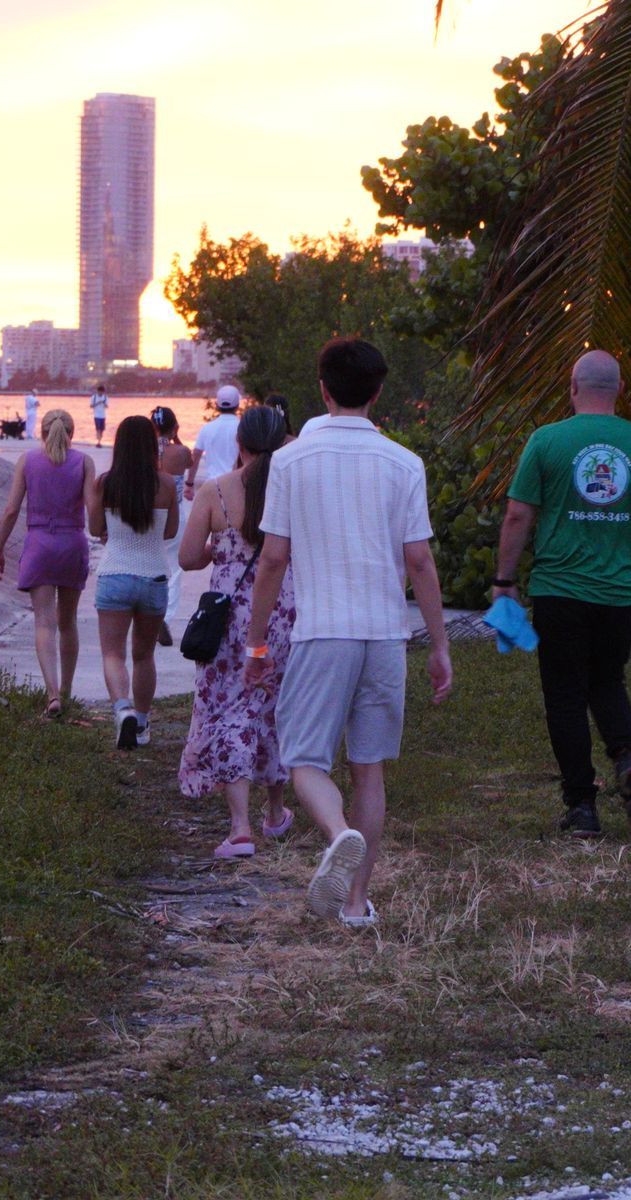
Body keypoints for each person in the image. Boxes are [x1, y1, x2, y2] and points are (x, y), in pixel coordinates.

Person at [244, 338, 453, 927]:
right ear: (379, 391)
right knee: (370, 767)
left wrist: (256, 643)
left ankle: (337, 834)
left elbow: (273, 560)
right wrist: (438, 646)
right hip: (385, 634)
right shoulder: (404, 463)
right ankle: (358, 904)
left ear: (323, 387)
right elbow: (419, 562)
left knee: (303, 757)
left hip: (323, 632)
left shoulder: (290, 462)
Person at [491, 351, 631, 838]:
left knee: (566, 693)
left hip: (560, 589)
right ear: (618, 390)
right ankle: (627, 755)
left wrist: (504, 582)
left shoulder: (547, 440)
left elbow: (517, 516)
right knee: (607, 678)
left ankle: (581, 806)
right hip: (621, 593)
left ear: (572, 387)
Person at [178, 406, 296, 859]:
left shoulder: (216, 491)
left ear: (240, 445)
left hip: (229, 621)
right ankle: (275, 812)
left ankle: (240, 827)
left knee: (227, 712)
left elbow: (188, 558)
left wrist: (218, 548)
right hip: (284, 615)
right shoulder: (294, 492)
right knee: (273, 706)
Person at [0, 409, 95, 718]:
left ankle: (52, 694)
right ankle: (67, 689)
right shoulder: (84, 462)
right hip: (72, 543)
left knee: (44, 623)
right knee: (68, 622)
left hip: (40, 545)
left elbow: (11, 509)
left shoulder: (28, 461)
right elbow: (93, 506)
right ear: (71, 433)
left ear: (42, 433)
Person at [89, 414, 180, 750]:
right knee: (144, 656)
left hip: (114, 575)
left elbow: (94, 526)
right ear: (151, 444)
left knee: (113, 654)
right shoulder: (167, 484)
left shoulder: (105, 483)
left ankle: (122, 709)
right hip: (154, 577)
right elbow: (170, 531)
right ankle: (141, 724)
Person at [152, 406, 195, 645]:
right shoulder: (180, 452)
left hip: (151, 514)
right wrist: (175, 436)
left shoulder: (146, 453)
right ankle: (165, 616)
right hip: (175, 516)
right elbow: (190, 461)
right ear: (174, 426)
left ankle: (149, 613)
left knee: (151, 564)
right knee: (174, 570)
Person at [187, 384, 243, 500]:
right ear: (237, 405)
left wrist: (189, 483)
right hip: (236, 485)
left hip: (212, 486)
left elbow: (196, 456)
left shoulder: (207, 428)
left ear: (217, 405)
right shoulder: (242, 428)